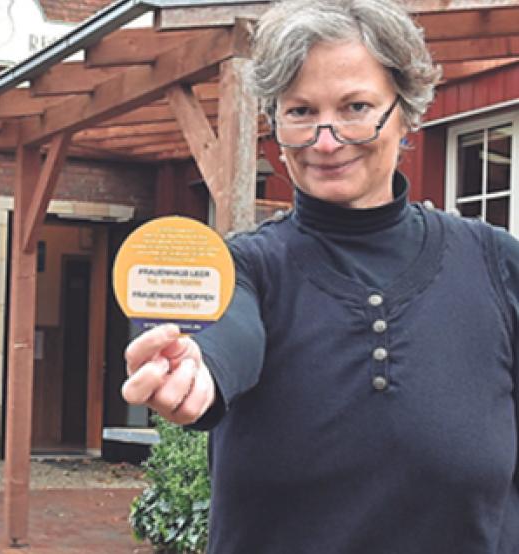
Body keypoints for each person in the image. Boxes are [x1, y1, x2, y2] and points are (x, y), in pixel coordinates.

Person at [122, 0, 518, 552]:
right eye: (301, 112)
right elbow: (226, 331)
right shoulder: (245, 267)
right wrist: (197, 370)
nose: (326, 141)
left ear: (406, 112)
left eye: (356, 107)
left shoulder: (497, 265)